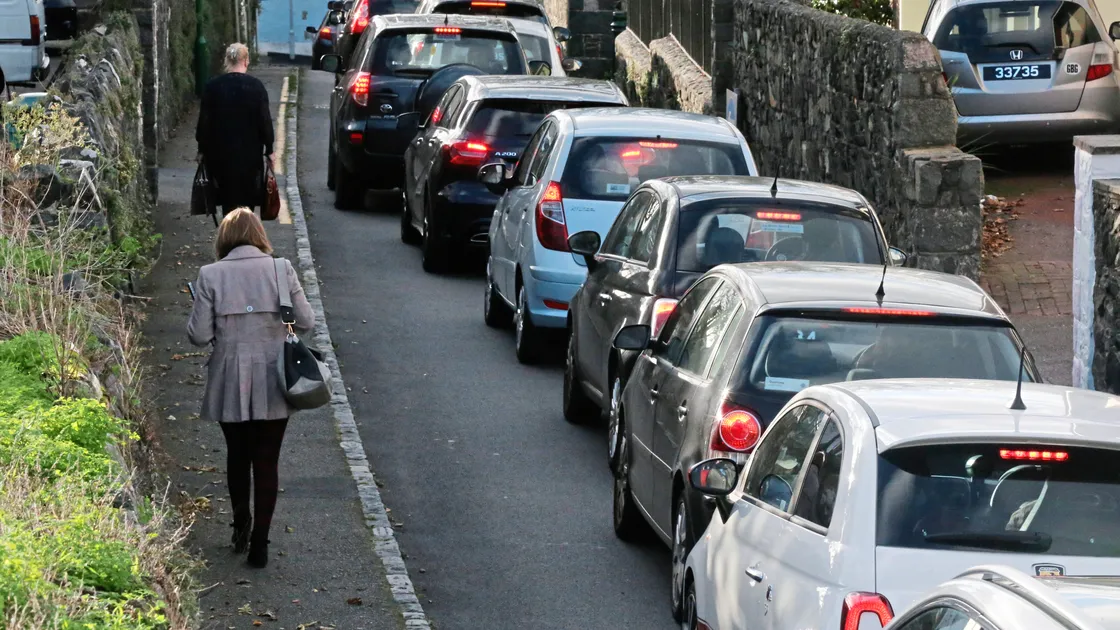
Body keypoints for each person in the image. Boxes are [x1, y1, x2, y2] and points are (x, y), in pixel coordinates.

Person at [187, 209, 314, 568]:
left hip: (229, 375)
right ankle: (261, 542)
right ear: (259, 235)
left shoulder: (210, 275)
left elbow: (198, 336)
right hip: (274, 376)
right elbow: (306, 321)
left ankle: (240, 523)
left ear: (224, 239)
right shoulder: (281, 269)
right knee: (267, 460)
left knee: (237, 455)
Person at [196, 43, 274, 215]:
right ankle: (246, 234)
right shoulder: (256, 87)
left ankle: (228, 234)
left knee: (226, 200)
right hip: (249, 157)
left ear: (227, 61)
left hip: (220, 157)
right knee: (247, 202)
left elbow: (204, 123)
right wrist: (269, 150)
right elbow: (265, 121)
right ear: (246, 61)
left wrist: (201, 149)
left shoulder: (212, 87)